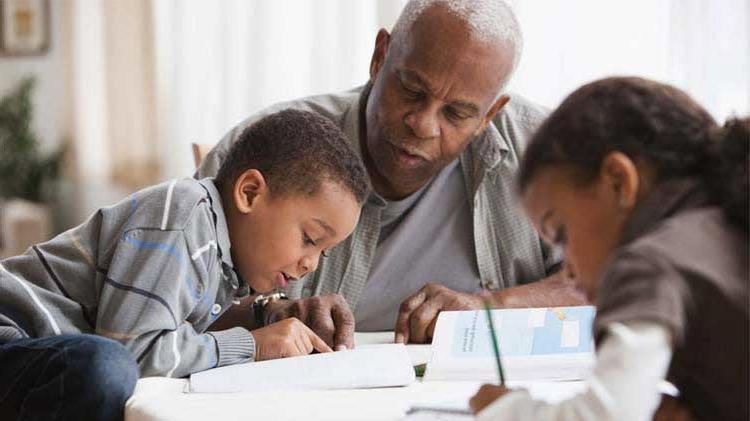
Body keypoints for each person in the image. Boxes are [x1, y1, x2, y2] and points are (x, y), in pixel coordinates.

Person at [198, 0, 586, 348]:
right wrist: (272, 311)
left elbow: (613, 281)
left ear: (490, 114)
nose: (423, 124)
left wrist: (490, 308)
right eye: (412, 90)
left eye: (457, 113)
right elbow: (174, 295)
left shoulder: (543, 150)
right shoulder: (271, 147)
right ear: (380, 56)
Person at [0, 109, 368, 420]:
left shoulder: (225, 260)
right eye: (310, 238)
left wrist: (266, 319)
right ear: (250, 193)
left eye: (324, 252)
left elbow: (174, 333)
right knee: (107, 368)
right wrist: (252, 346)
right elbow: (137, 350)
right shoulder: (182, 217)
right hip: (11, 329)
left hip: (39, 355)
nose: (311, 264)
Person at [469, 77, 749, 421]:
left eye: (561, 233)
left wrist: (503, 409)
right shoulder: (718, 229)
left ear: (618, 181)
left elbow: (604, 417)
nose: (567, 270)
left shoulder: (651, 262)